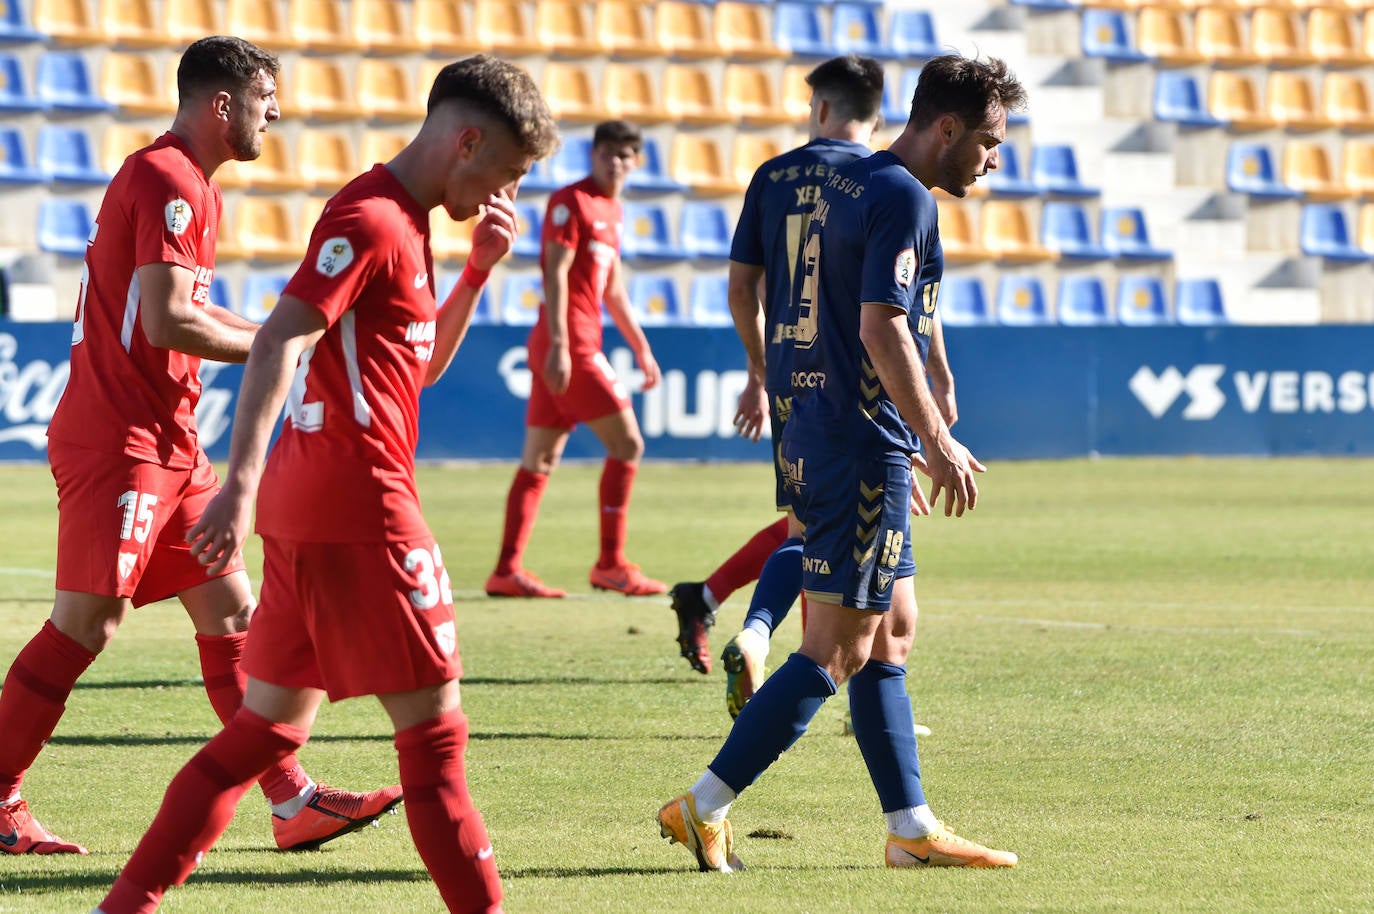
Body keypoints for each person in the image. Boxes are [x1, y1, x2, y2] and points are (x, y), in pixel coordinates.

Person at [91, 54, 559, 914]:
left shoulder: (408, 223)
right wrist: (237, 484)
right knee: (436, 746)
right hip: (363, 506)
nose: (511, 190)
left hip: (315, 506)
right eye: (512, 169)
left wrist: (479, 270)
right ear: (467, 143)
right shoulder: (374, 218)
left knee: (261, 733)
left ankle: (121, 906)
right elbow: (279, 338)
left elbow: (418, 370)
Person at [0, 35, 399, 858]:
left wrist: (283, 335)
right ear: (223, 103)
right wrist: (281, 343)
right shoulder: (169, 179)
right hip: (122, 442)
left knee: (233, 613)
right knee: (87, 623)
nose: (275, 115)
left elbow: (186, 314)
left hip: (169, 440)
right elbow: (169, 320)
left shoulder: (190, 182)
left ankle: (291, 801)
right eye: (265, 100)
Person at [658, 54, 1027, 872]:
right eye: (990, 142)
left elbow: (813, 308)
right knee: (837, 649)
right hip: (856, 441)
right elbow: (881, 326)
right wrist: (931, 440)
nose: (994, 161)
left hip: (826, 430)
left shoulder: (846, 186)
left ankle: (910, 827)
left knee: (892, 630)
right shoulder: (901, 196)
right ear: (946, 128)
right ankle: (702, 805)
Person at [667, 55, 887, 696]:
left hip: (793, 378)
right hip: (863, 381)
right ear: (877, 114)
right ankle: (819, 671)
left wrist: (760, 371)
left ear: (820, 107)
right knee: (856, 533)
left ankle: (745, 623)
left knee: (806, 523)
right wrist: (937, 379)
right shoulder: (886, 180)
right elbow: (901, 298)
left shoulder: (772, 176)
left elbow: (742, 289)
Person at [485, 119, 666, 599]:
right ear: (593, 155)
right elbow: (555, 272)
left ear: (635, 162)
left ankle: (506, 570)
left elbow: (613, 289)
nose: (615, 162)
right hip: (570, 345)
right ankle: (610, 564)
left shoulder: (613, 210)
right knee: (628, 444)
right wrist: (562, 345)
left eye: (624, 155)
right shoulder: (571, 201)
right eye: (607, 153)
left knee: (539, 459)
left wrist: (640, 345)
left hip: (568, 344)